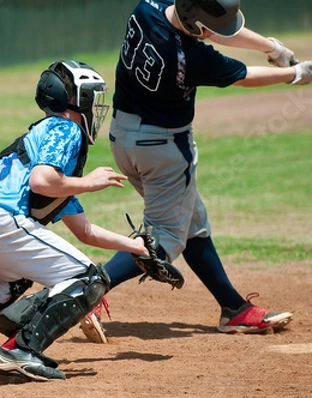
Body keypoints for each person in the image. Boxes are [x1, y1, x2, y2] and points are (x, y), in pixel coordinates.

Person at [79, 0, 312, 342]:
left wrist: (272, 46)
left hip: (123, 137)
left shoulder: (147, 7)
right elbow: (244, 76)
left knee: (192, 222)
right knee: (168, 238)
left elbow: (213, 28)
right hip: (164, 149)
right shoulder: (191, 59)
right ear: (194, 25)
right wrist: (294, 74)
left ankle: (233, 308)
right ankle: (85, 292)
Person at [0, 60, 152, 381]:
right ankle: (20, 349)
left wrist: (137, 248)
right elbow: (42, 181)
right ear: (71, 100)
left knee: (12, 278)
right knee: (89, 279)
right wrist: (91, 182)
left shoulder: (44, 144)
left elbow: (84, 231)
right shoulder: (65, 128)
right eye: (91, 96)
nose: (97, 106)